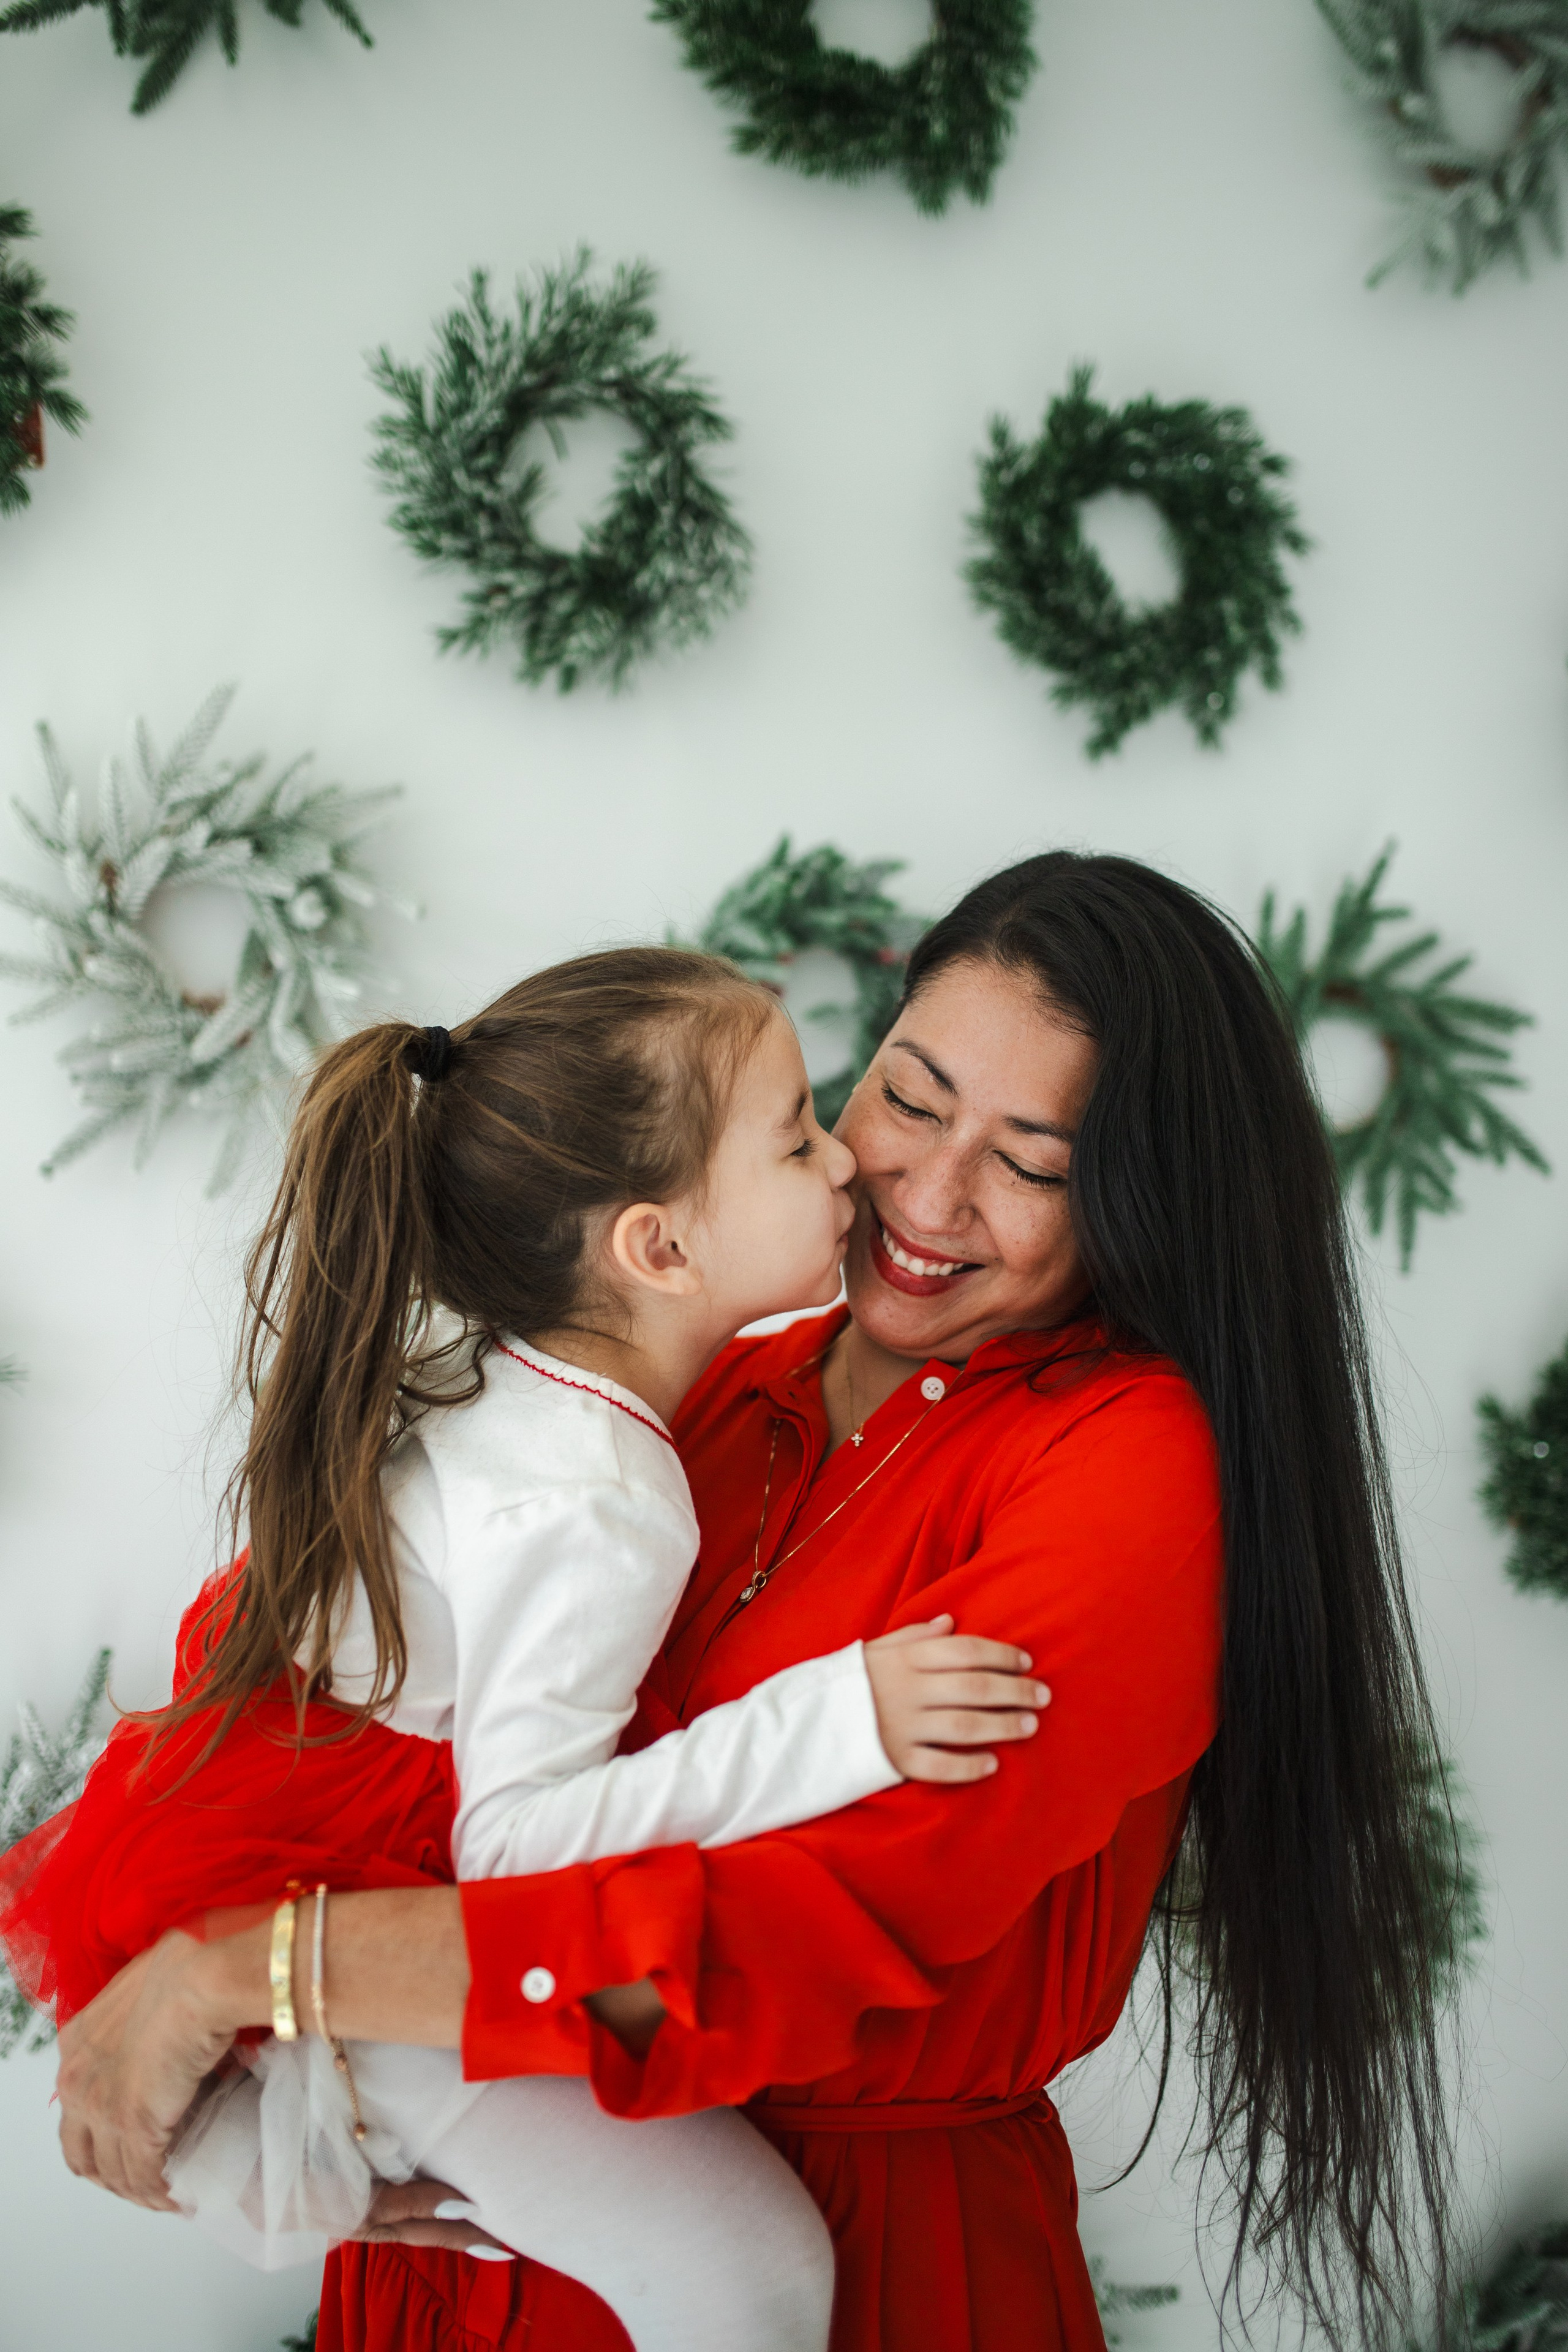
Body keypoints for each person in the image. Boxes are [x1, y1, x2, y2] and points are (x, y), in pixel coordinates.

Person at [49, 853, 1457, 2352]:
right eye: (906, 1100)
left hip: (843, 2260)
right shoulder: (691, 1380)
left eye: (1032, 1164)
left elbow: (773, 1948)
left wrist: (261, 1972)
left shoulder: (1126, 1471)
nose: (920, 1192)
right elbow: (289, 1656)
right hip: (463, 2238)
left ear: (1134, 1198)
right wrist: (230, 2026)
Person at [0, 945, 1046, 2350]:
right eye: (798, 1137)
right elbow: (521, 1850)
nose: (847, 1167)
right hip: (355, 1904)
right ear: (659, 1248)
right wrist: (840, 1718)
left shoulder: (523, 1388)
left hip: (284, 1861)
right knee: (756, 2278)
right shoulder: (603, 1502)